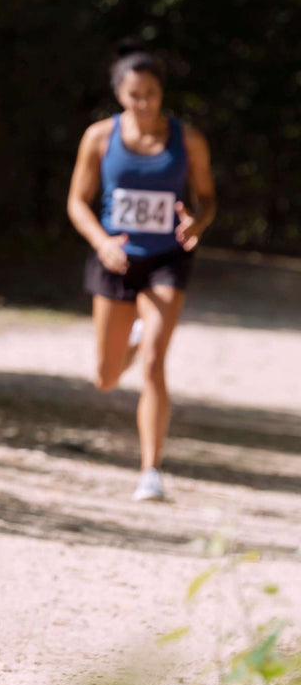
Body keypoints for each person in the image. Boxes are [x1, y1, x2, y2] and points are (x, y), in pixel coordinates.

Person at [66, 45, 215, 502]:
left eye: (151, 94)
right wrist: (102, 243)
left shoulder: (187, 139)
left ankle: (150, 471)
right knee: (107, 377)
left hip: (167, 258)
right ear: (119, 94)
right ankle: (126, 348)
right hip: (116, 259)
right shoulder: (98, 137)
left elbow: (207, 199)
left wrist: (198, 221)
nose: (144, 104)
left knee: (154, 361)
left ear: (161, 92)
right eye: (134, 95)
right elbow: (77, 202)